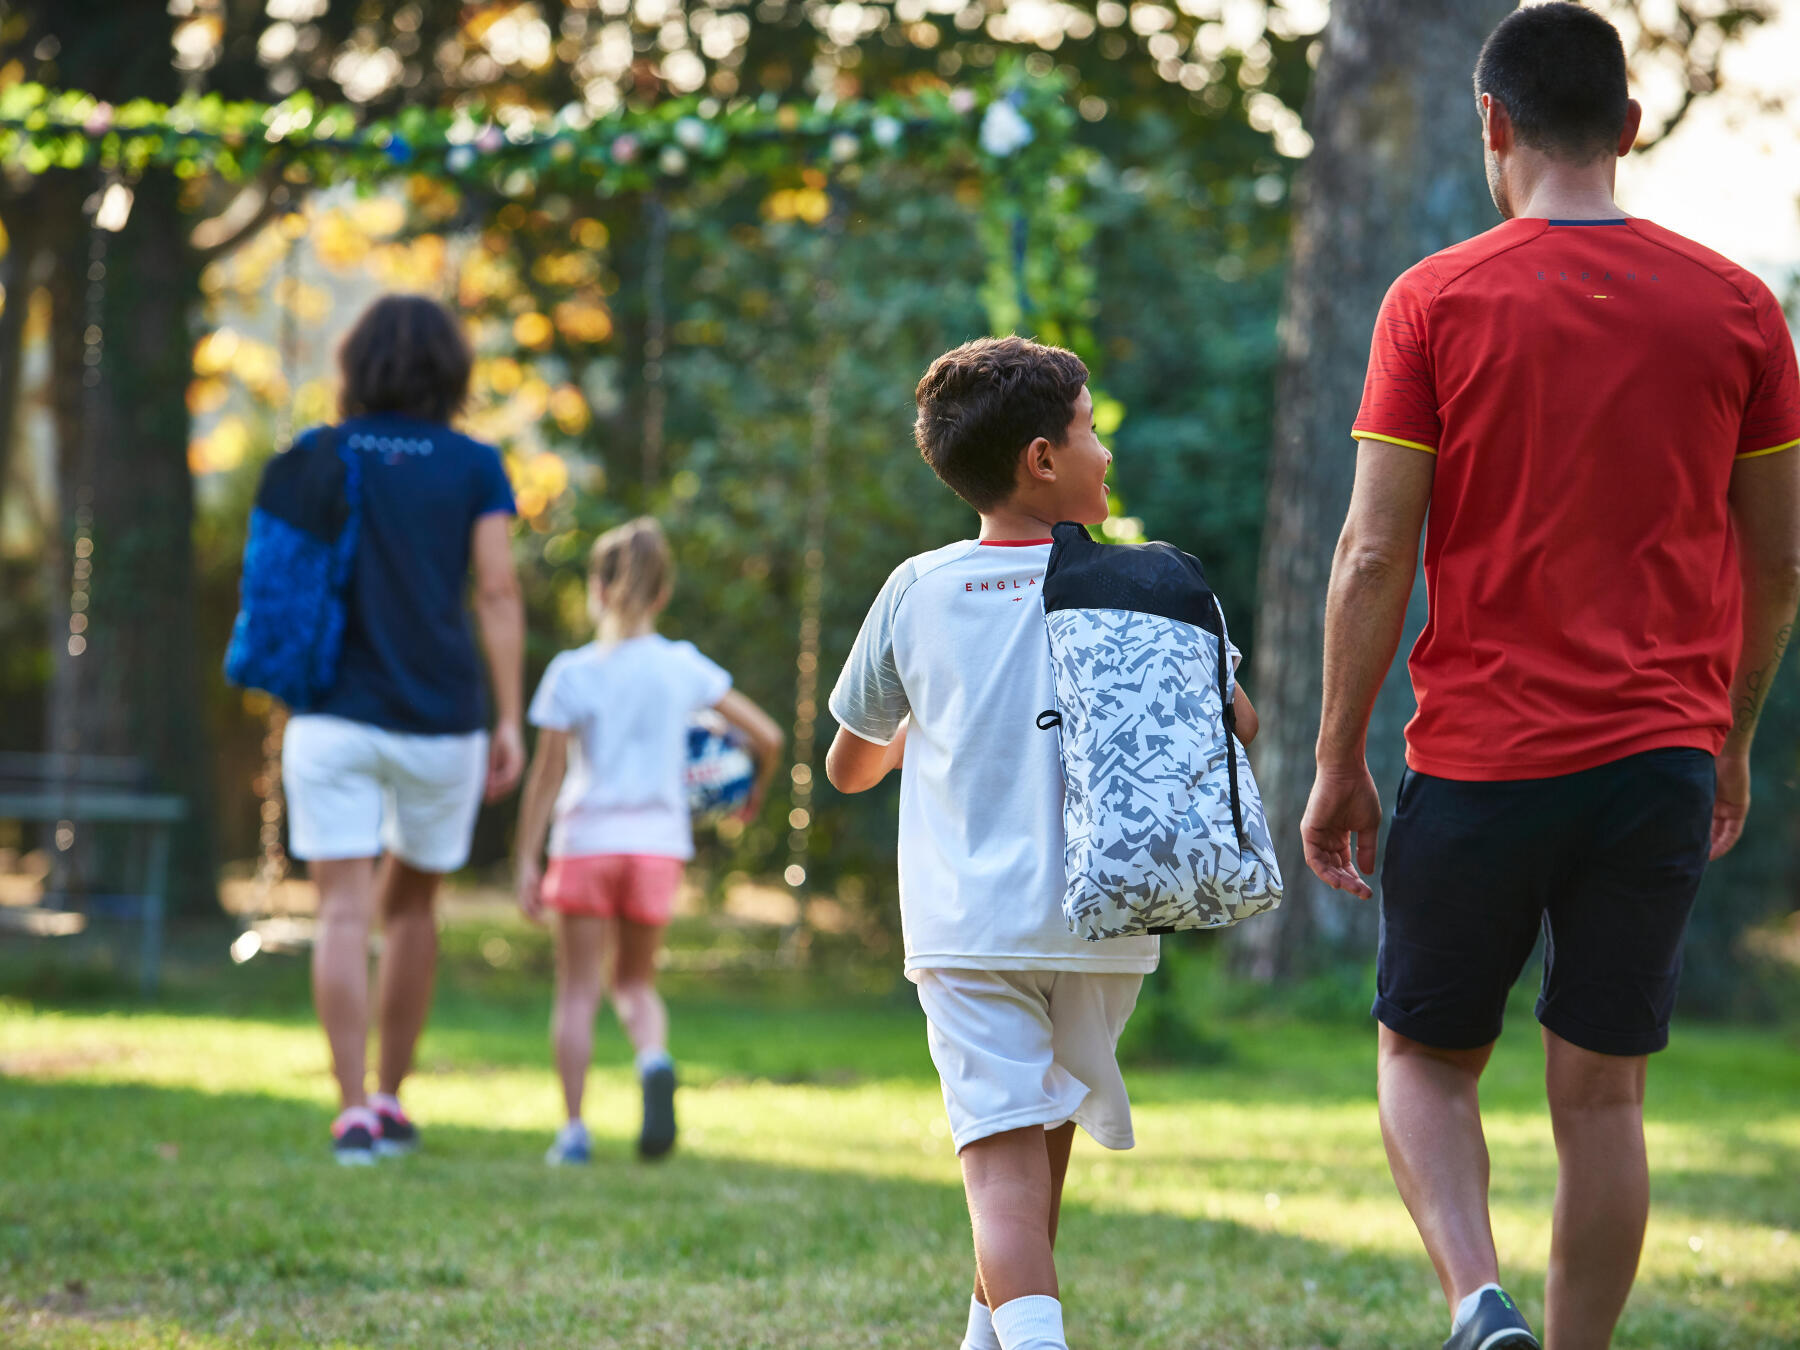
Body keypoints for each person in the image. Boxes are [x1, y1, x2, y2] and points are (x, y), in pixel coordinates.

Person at [1299, 7, 1800, 1349]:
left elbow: (1368, 549)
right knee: (1603, 1099)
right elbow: (1783, 561)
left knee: (1423, 1057)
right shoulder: (1744, 309)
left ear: (1492, 126)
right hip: (1658, 762)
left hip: (1480, 757)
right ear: (1630, 129)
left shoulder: (1434, 301)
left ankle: (1478, 1300)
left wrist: (1341, 754)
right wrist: (1730, 738)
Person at [827, 336, 1258, 1350]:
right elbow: (1235, 718)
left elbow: (846, 765)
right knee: (1034, 1152)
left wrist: (902, 748)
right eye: (1091, 427)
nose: (1106, 448)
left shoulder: (919, 588)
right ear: (1042, 459)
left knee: (1003, 1164)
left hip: (970, 928)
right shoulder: (1150, 582)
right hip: (1100, 920)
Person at [282, 294, 527, 1164]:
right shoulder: (472, 465)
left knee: (342, 911)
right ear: (449, 370)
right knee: (414, 908)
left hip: (331, 715)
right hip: (441, 718)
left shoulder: (318, 454)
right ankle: (391, 1099)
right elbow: (496, 592)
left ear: (357, 366)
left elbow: (287, 586)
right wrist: (509, 717)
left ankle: (349, 1110)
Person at [514, 516, 783, 1164]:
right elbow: (768, 738)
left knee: (577, 989)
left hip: (586, 842)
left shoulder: (570, 673)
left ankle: (574, 1132)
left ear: (597, 590)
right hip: (657, 846)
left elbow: (547, 775)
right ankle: (654, 1059)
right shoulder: (682, 667)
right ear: (662, 595)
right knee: (634, 984)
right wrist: (749, 795)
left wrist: (525, 857)